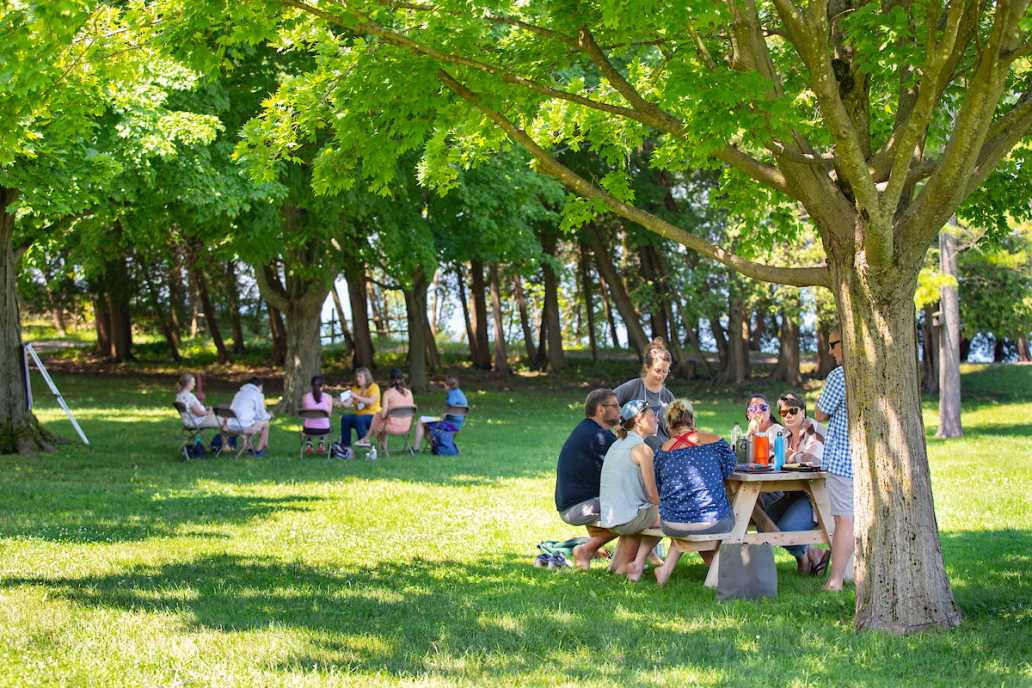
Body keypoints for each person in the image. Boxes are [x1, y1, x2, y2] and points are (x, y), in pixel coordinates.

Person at [651, 399, 737, 586]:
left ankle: (664, 572)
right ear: (692, 420)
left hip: (672, 524)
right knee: (737, 512)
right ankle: (720, 572)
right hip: (713, 523)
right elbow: (730, 468)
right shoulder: (715, 442)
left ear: (669, 426)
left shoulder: (662, 451)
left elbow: (659, 485)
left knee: (685, 513)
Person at [762, 392, 830, 576]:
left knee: (785, 530)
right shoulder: (783, 435)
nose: (788, 416)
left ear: (803, 411)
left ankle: (808, 555)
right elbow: (769, 457)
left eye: (793, 411)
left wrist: (789, 456)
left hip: (816, 497)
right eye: (783, 413)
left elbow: (813, 459)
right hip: (793, 493)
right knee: (763, 523)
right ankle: (810, 554)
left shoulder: (813, 430)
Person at [554, 389, 621, 570]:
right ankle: (586, 549)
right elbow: (629, 469)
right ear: (600, 409)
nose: (619, 410)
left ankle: (599, 549)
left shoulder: (586, 428)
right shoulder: (601, 437)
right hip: (578, 508)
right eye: (614, 406)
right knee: (637, 513)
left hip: (568, 504)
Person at [599, 399, 662, 582]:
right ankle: (639, 562)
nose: (657, 419)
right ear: (638, 420)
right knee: (668, 515)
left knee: (647, 513)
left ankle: (619, 567)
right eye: (652, 415)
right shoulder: (642, 449)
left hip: (611, 517)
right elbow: (652, 495)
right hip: (627, 519)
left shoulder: (617, 444)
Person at [815, 330, 853, 592]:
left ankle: (836, 580)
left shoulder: (840, 375)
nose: (830, 351)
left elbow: (820, 413)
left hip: (842, 459)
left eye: (832, 345)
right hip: (864, 461)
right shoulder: (873, 372)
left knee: (844, 520)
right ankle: (853, 574)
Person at [614, 339, 675, 452]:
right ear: (647, 367)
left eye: (665, 371)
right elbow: (608, 403)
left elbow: (676, 428)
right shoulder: (633, 387)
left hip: (661, 455)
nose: (661, 375)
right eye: (657, 370)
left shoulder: (668, 396)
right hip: (634, 452)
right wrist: (619, 427)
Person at [411, 375, 469, 452]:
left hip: (448, 425)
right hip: (457, 426)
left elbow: (451, 405)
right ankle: (437, 447)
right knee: (426, 425)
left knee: (421, 420)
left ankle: (416, 448)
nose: (444, 388)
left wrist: (445, 412)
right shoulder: (460, 392)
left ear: (449, 386)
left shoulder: (452, 394)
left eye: (444, 386)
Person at [368, 368, 416, 451]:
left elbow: (383, 415)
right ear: (402, 379)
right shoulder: (409, 393)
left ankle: (374, 443)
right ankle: (372, 441)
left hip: (391, 427)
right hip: (406, 427)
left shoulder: (388, 393)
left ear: (390, 380)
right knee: (380, 418)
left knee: (379, 417)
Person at [229, 376, 272, 456]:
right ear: (259, 386)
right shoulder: (258, 394)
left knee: (253, 422)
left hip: (230, 426)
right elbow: (261, 415)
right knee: (266, 423)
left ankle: (250, 447)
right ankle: (259, 450)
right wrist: (269, 416)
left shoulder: (239, 393)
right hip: (243, 427)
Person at [340, 367, 380, 449]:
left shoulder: (373, 387)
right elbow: (348, 403)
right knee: (345, 419)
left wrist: (356, 396)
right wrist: (340, 403)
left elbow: (370, 401)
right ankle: (345, 445)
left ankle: (364, 441)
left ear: (366, 377)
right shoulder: (355, 388)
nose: (358, 379)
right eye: (357, 377)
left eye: (360, 377)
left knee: (359, 419)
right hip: (359, 416)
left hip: (373, 416)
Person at [744, 393, 785, 462]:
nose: (759, 411)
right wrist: (749, 433)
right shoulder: (748, 434)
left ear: (769, 411)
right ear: (748, 414)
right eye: (754, 408)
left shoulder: (778, 431)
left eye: (763, 407)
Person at [300, 375, 334, 455]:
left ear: (311, 386)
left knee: (309, 421)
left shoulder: (305, 397)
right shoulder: (329, 397)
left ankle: (309, 444)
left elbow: (306, 412)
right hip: (324, 430)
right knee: (323, 422)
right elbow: (329, 414)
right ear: (322, 386)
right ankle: (321, 443)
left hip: (308, 430)